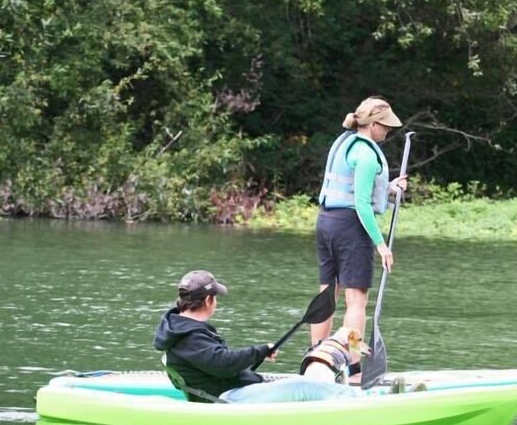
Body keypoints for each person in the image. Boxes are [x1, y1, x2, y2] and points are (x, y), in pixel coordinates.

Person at [153, 270, 360, 403]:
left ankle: (345, 396)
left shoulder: (180, 328)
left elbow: (215, 365)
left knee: (299, 380)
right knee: (301, 387)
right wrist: (259, 350)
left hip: (226, 388)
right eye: (215, 298)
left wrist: (258, 355)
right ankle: (362, 403)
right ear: (208, 300)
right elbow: (222, 363)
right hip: (227, 398)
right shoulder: (190, 336)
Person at [312, 96, 408, 377]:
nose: (387, 132)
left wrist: (389, 187)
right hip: (352, 228)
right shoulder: (366, 154)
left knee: (327, 294)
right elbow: (363, 205)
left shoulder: (344, 143)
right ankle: (353, 368)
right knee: (356, 302)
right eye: (385, 127)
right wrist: (381, 246)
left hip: (326, 223)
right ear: (373, 124)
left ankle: (317, 356)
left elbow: (356, 189)